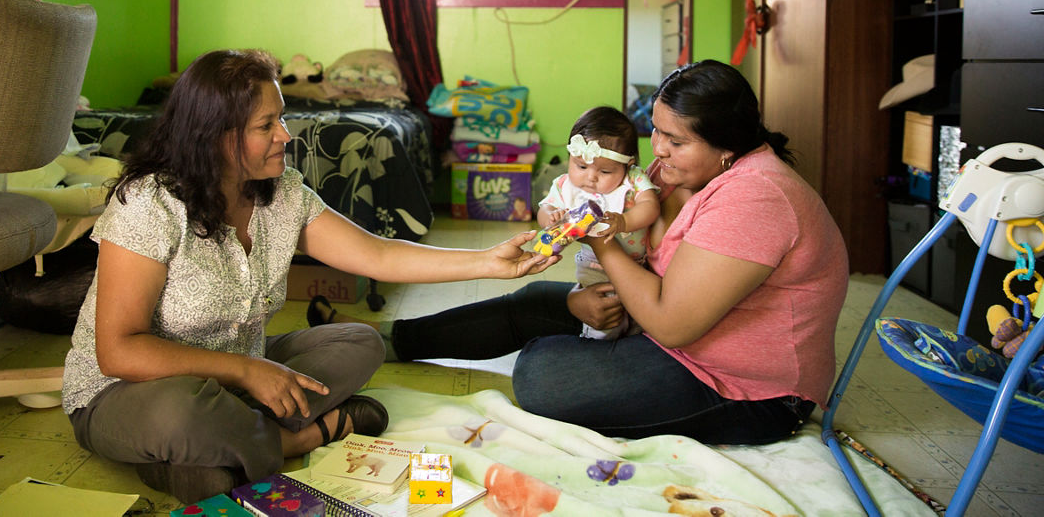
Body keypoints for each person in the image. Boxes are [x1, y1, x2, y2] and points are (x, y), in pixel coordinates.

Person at [61, 49, 556, 504]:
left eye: (283, 118)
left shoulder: (282, 193)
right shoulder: (149, 202)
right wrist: (248, 373)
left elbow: (379, 256)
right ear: (217, 134)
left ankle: (215, 456)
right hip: (126, 391)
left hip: (241, 374)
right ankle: (293, 438)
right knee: (182, 410)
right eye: (267, 124)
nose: (286, 135)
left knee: (360, 342)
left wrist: (490, 261)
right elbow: (119, 350)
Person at [312, 60, 848, 446]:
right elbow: (592, 204)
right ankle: (387, 341)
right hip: (656, 322)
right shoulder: (675, 171)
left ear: (727, 146)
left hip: (740, 386)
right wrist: (576, 284)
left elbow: (675, 323)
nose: (659, 152)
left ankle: (572, 345)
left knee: (542, 375)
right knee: (538, 300)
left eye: (676, 141)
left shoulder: (755, 197)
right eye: (656, 132)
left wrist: (598, 240)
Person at [538, 106, 660, 340]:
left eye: (604, 171)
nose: (590, 177)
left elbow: (650, 206)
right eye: (581, 166)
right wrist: (551, 217)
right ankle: (598, 347)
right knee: (607, 321)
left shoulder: (633, 179)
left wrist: (624, 220)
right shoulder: (565, 185)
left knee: (638, 322)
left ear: (627, 164)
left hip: (639, 267)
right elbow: (545, 208)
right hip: (594, 267)